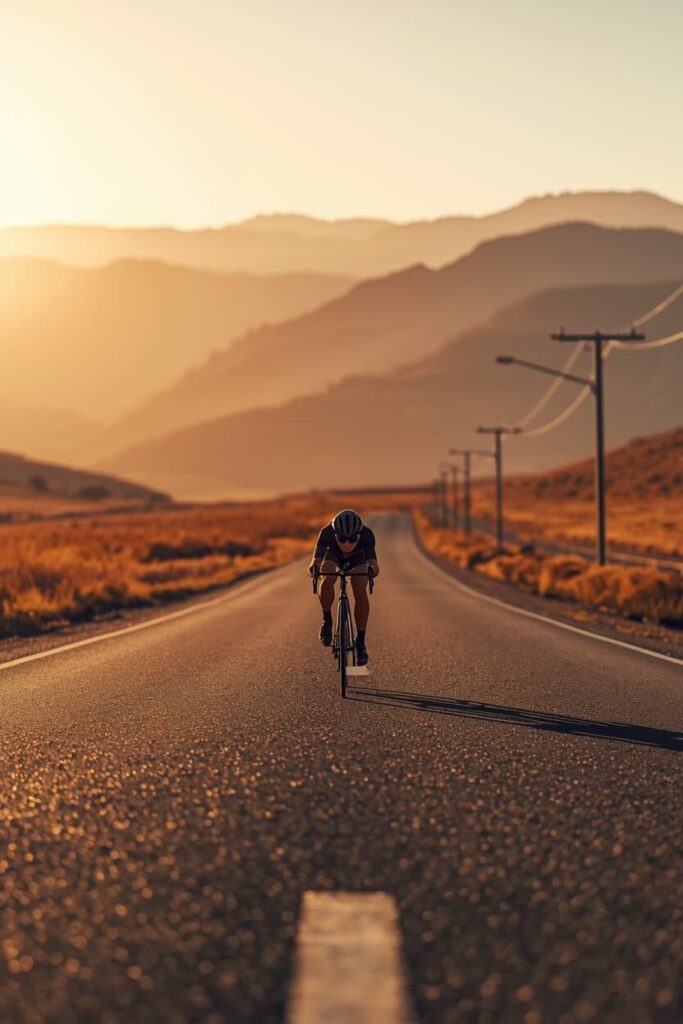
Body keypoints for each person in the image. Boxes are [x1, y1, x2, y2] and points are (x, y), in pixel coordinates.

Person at [308, 509, 380, 666]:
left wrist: (371, 571)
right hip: (333, 556)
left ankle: (360, 642)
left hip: (358, 558)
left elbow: (374, 564)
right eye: (342, 538)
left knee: (359, 586)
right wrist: (314, 568)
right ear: (335, 533)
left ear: (359, 534)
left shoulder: (367, 535)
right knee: (328, 573)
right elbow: (316, 560)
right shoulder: (326, 532)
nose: (347, 543)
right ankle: (327, 621)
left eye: (352, 538)